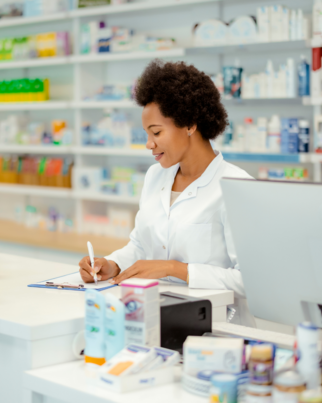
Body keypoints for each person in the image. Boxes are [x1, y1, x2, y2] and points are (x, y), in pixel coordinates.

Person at [78, 60, 255, 327]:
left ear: (190, 124)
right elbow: (140, 246)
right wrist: (112, 265)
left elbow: (250, 280)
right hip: (155, 318)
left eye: (156, 132)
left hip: (218, 329)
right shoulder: (155, 176)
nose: (149, 144)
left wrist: (177, 269)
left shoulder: (236, 186)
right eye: (147, 134)